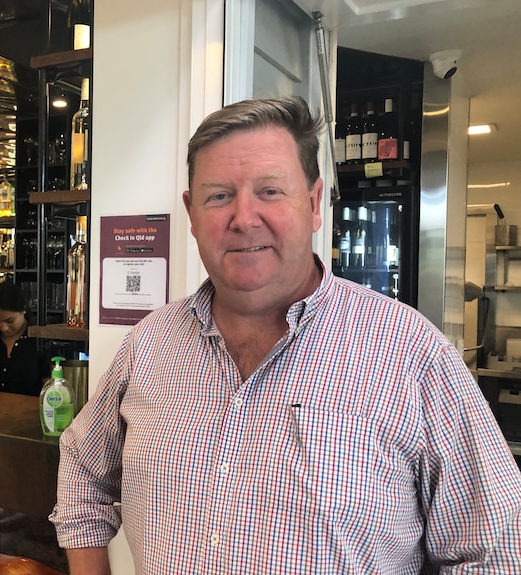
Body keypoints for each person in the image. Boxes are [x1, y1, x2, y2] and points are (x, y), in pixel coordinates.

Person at [50, 96, 521, 574]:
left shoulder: (411, 352)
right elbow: (83, 469)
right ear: (191, 214)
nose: (244, 217)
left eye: (271, 191)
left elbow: (494, 551)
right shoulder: (149, 344)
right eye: (218, 195)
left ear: (314, 204)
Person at [0, 281, 47, 396]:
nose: (4, 327)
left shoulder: (40, 340)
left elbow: (51, 392)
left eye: (10, 321)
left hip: (31, 412)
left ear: (23, 310)